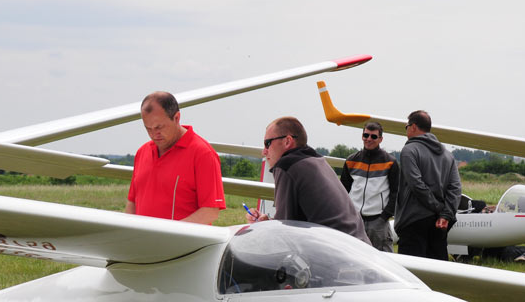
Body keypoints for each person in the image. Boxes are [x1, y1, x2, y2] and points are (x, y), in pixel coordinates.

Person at [246, 116, 369, 243]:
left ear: (287, 141)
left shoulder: (287, 165)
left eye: (267, 143)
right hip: (360, 247)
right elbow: (295, 223)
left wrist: (262, 230)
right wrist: (268, 223)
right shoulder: (316, 160)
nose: (264, 152)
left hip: (340, 252)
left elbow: (283, 232)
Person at [125, 91, 225, 224]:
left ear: (176, 118)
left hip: (183, 244)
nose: (154, 134)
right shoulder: (142, 152)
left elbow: (210, 212)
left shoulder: (203, 154)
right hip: (142, 243)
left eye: (159, 127)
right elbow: (132, 202)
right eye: (148, 128)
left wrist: (170, 235)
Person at [394, 110, 462, 260]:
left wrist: (438, 209)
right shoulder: (447, 155)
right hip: (440, 223)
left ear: (413, 127)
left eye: (406, 126)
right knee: (438, 274)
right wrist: (445, 214)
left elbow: (416, 184)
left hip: (413, 222)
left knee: (412, 274)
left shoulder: (409, 150)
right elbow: (456, 188)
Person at [340, 121, 399, 252]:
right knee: (352, 256)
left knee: (383, 261)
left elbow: (396, 193)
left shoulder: (390, 162)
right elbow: (343, 190)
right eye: (366, 135)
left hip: (378, 221)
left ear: (380, 139)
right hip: (355, 220)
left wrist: (384, 217)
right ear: (362, 136)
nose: (368, 139)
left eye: (373, 136)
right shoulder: (351, 160)